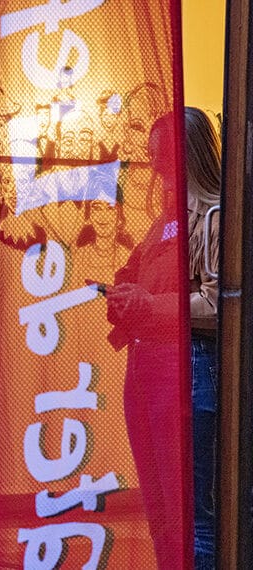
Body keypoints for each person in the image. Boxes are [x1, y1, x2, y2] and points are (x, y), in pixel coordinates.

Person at [105, 109, 197, 569]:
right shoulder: (162, 218)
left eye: (165, 161)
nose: (158, 172)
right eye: (154, 161)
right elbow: (137, 269)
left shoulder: (205, 215)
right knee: (155, 497)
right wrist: (121, 291)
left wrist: (145, 303)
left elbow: (212, 301)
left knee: (179, 495)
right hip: (141, 367)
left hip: (175, 367)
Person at [182, 106, 221, 570]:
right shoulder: (186, 212)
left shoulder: (213, 215)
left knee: (202, 505)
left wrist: (161, 300)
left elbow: (214, 304)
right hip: (183, 358)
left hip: (203, 362)